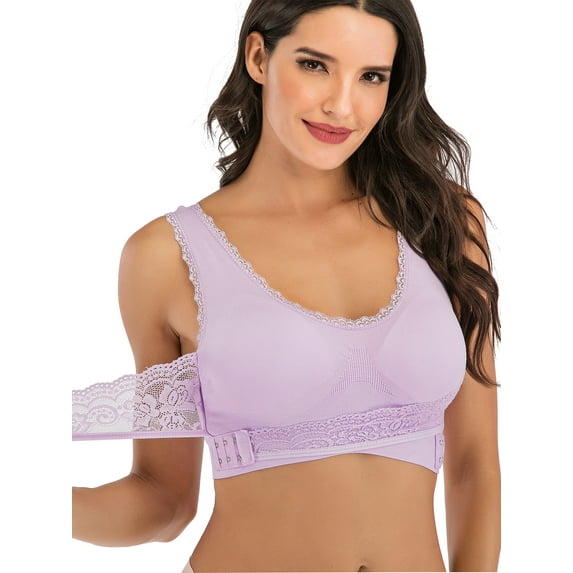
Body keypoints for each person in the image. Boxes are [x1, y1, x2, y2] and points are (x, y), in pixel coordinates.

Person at [72, 0, 501, 571]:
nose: (341, 104)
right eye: (315, 65)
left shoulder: (443, 221)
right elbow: (163, 502)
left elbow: (474, 463)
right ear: (258, 56)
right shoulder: (165, 257)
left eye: (371, 76)